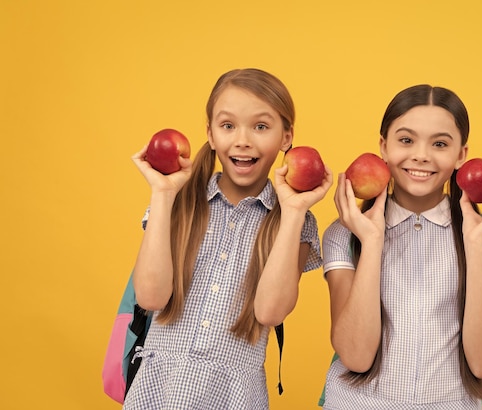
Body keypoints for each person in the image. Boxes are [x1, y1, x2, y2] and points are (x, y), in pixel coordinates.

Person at [123, 68, 333, 409]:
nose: (243, 140)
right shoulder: (178, 201)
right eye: (228, 125)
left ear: (286, 136)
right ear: (210, 132)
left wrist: (293, 213)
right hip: (159, 387)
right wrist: (162, 193)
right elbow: (150, 296)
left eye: (261, 126)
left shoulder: (295, 221)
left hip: (235, 395)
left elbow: (270, 312)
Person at [321, 84, 482, 409]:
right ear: (383, 146)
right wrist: (371, 242)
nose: (421, 155)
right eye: (406, 140)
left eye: (440, 143)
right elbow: (355, 355)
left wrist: (476, 246)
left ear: (461, 156)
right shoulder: (344, 234)